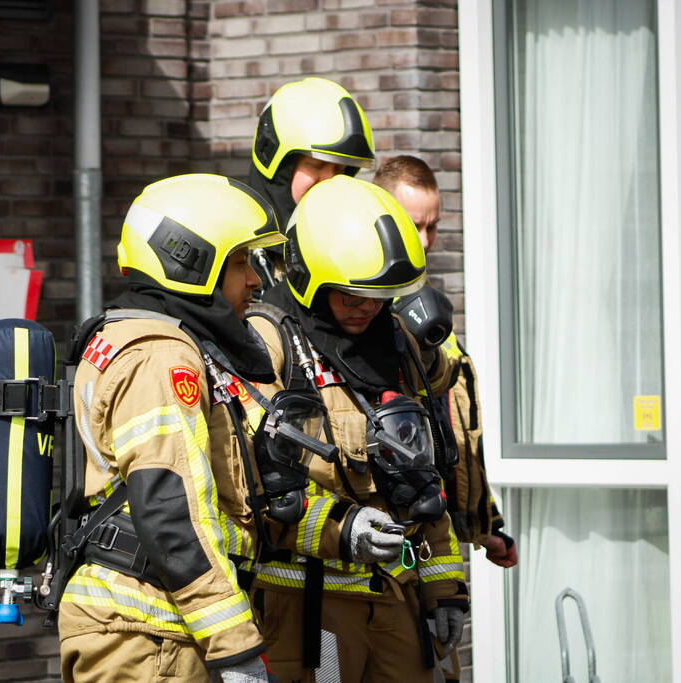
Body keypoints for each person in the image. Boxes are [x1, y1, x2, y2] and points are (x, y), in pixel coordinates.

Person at [56, 174, 287, 683]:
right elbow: (170, 510)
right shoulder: (161, 357)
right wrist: (236, 650)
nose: (254, 280)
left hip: (149, 627)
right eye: (240, 262)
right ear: (193, 262)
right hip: (150, 635)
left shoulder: (136, 335)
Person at [247, 175, 469, 683]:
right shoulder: (270, 343)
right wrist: (341, 529)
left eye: (377, 296)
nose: (366, 307)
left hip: (396, 600)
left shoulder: (397, 342)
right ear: (309, 277)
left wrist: (443, 587)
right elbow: (250, 483)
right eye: (351, 295)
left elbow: (421, 472)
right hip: (310, 610)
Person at [374, 155, 518, 568]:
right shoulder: (365, 312)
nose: (424, 241)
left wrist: (485, 525)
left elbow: (454, 430)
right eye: (413, 225)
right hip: (393, 536)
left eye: (432, 227)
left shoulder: (425, 305)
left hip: (438, 530)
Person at [248, 76, 377, 283]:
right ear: (278, 167)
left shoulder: (358, 246)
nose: (330, 180)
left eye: (341, 170)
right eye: (316, 166)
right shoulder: (238, 255)